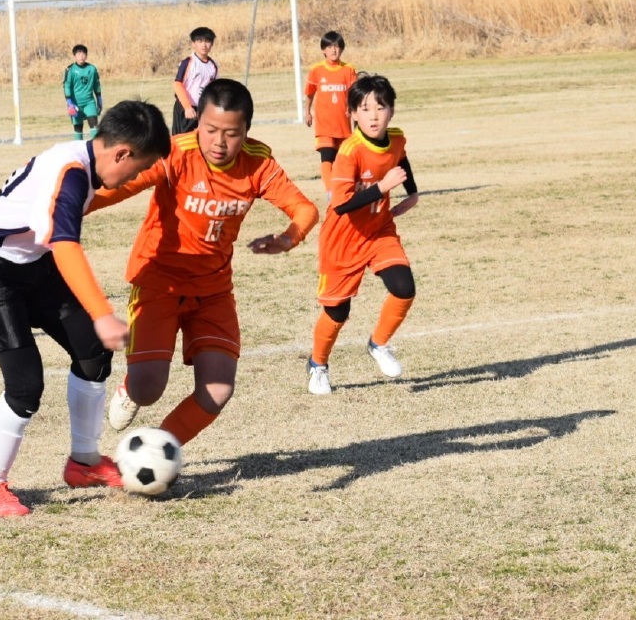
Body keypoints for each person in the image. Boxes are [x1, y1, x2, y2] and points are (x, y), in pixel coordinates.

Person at [0, 99, 171, 516]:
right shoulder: (71, 172)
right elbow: (65, 246)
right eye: (137, 169)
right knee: (25, 385)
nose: (133, 178)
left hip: (34, 265)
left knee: (92, 354)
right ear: (122, 154)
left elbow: (59, 209)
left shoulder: (85, 164)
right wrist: (102, 314)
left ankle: (84, 462)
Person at [95, 79, 319, 447]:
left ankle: (157, 450)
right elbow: (119, 187)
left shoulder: (258, 163)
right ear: (197, 120)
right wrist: (65, 210)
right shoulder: (176, 153)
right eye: (210, 129)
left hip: (212, 290)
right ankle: (131, 388)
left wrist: (288, 238)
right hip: (159, 283)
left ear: (246, 130)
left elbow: (305, 209)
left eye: (231, 133)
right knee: (148, 389)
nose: (219, 142)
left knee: (218, 389)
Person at [306, 73, 420, 396]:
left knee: (404, 288)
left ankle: (378, 344)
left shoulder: (396, 138)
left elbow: (400, 157)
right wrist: (382, 187)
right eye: (365, 108)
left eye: (380, 107)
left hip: (379, 229)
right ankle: (317, 365)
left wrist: (412, 192)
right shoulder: (349, 151)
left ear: (392, 111)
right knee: (338, 311)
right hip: (342, 238)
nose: (373, 116)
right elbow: (341, 204)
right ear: (352, 113)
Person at [303, 31, 356, 194]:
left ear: (342, 49)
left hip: (343, 125)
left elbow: (354, 95)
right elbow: (310, 93)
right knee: (326, 156)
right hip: (324, 124)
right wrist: (307, 112)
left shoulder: (348, 70)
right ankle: (330, 192)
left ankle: (341, 190)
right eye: (330, 47)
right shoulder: (316, 70)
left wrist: (354, 114)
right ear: (323, 50)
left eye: (337, 47)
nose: (334, 50)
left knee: (340, 161)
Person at [170, 26, 218, 135]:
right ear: (193, 44)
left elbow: (213, 89)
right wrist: (187, 107)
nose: (204, 45)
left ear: (212, 44)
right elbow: (177, 84)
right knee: (182, 140)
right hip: (186, 109)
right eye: (200, 41)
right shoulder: (188, 62)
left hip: (202, 110)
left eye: (207, 41)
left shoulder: (213, 65)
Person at [62, 44, 102, 140]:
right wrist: (70, 103)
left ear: (86, 56)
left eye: (84, 53)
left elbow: (96, 85)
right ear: (74, 56)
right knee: (78, 129)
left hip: (89, 102)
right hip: (76, 104)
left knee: (94, 126)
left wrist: (99, 100)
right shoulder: (70, 70)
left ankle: (94, 148)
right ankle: (78, 147)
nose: (81, 56)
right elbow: (67, 86)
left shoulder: (92, 69)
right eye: (79, 54)